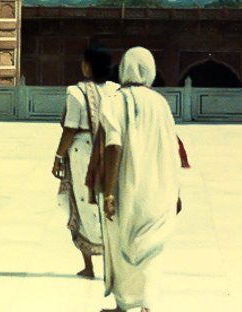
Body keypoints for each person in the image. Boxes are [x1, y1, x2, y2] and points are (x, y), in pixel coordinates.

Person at [99, 47, 180, 312]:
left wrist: (108, 192)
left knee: (123, 244)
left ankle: (129, 303)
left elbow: (113, 146)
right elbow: (172, 150)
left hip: (126, 187)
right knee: (152, 247)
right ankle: (146, 303)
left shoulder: (114, 100)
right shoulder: (160, 103)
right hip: (159, 188)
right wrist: (176, 191)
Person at [53, 45, 118, 278]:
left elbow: (70, 128)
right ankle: (112, 265)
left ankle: (89, 266)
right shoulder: (116, 90)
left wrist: (58, 157)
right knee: (108, 204)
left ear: (88, 66)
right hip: (110, 151)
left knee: (83, 204)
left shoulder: (75, 92)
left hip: (82, 151)